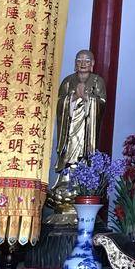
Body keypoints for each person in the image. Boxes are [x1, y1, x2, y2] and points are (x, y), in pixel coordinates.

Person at [51, 49, 106, 203]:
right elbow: (60, 104)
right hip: (70, 128)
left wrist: (89, 99)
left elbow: (102, 104)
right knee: (68, 151)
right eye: (79, 60)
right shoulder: (68, 81)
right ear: (75, 63)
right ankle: (66, 180)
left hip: (87, 129)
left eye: (87, 61)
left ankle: (83, 181)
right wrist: (74, 97)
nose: (83, 64)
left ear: (92, 64)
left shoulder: (97, 81)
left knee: (85, 154)